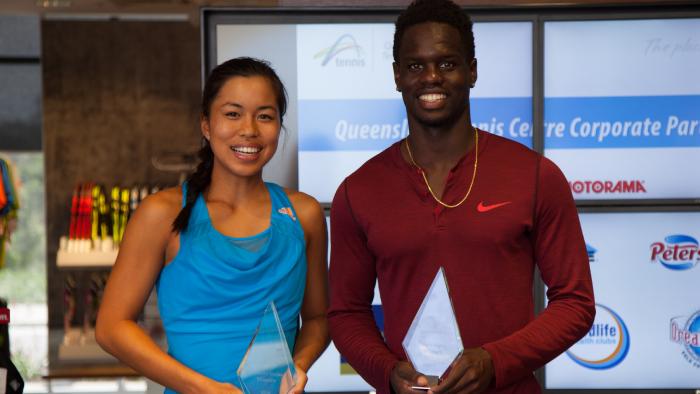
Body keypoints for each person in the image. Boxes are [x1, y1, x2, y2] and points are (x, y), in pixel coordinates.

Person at [327, 1, 595, 393]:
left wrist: (496, 360)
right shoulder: (359, 190)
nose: (431, 77)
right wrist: (386, 372)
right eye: (416, 66)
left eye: (447, 63)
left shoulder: (535, 175)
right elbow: (346, 313)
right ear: (397, 76)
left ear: (472, 71)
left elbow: (576, 303)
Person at [96, 57, 329, 394]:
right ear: (206, 124)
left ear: (279, 125)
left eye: (265, 116)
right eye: (232, 114)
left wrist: (300, 365)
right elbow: (111, 327)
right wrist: (202, 388)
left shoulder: (303, 214)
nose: (249, 129)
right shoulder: (162, 213)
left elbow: (319, 320)